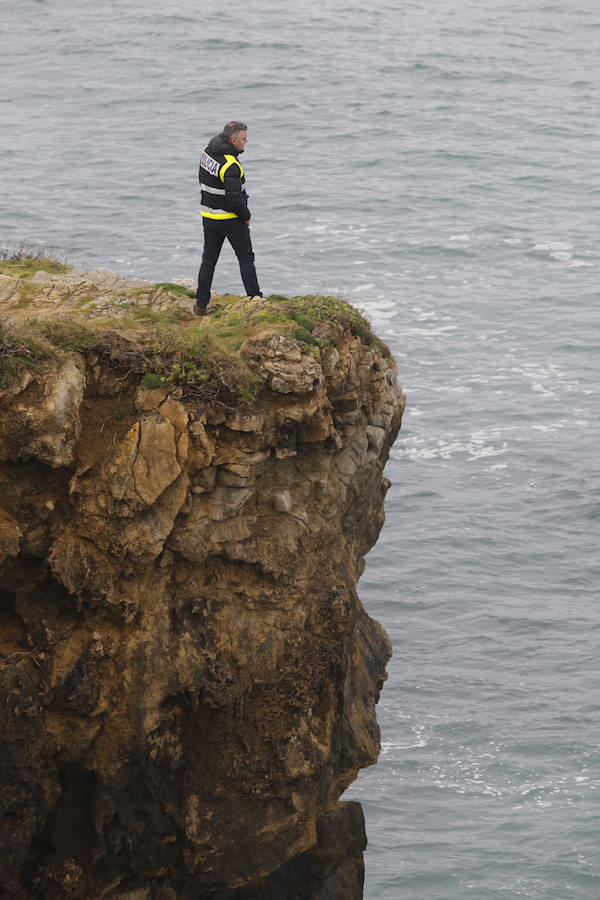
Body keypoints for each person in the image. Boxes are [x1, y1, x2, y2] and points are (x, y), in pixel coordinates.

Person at [194, 121, 262, 315]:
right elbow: (234, 200)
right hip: (230, 219)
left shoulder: (207, 151)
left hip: (208, 215)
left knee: (209, 260)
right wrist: (246, 216)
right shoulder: (231, 165)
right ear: (233, 140)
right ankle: (255, 300)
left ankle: (200, 304)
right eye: (244, 139)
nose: (246, 142)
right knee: (246, 258)